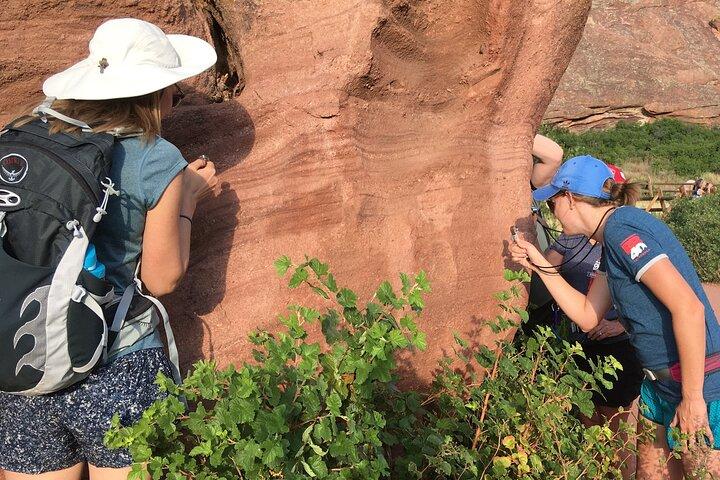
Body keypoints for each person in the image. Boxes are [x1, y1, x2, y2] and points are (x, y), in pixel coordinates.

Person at [0, 18, 218, 480]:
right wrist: (189, 199)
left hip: (22, 361)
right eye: (172, 90)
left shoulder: (26, 132)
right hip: (117, 363)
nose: (173, 99)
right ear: (151, 94)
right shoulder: (155, 157)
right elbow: (163, 278)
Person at [510, 155, 720, 479]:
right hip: (658, 385)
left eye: (552, 204)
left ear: (568, 198)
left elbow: (689, 308)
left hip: (698, 386)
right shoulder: (611, 241)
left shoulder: (623, 229)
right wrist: (537, 261)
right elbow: (588, 316)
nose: (552, 212)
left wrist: (692, 399)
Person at [543, 163, 643, 478]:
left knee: (615, 426)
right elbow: (548, 270)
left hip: (618, 344)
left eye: (554, 202)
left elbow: (652, 301)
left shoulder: (621, 239)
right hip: (582, 343)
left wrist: (619, 325)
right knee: (588, 418)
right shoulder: (572, 236)